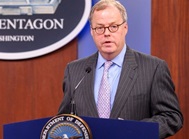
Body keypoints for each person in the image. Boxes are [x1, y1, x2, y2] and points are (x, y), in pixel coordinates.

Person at [57, 0, 183, 138]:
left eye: (113, 26)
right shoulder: (74, 70)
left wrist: (133, 132)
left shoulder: (153, 68)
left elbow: (171, 117)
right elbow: (64, 119)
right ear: (92, 32)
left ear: (125, 28)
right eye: (99, 28)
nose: (106, 33)